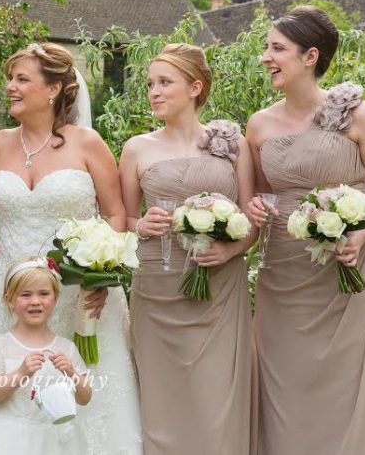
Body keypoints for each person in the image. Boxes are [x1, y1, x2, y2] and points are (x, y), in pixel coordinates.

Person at [245, 5, 365, 454]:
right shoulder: (259, 125)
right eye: (266, 47)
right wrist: (256, 209)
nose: (266, 57)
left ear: (310, 56)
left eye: (276, 48)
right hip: (283, 279)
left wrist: (362, 233)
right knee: (284, 393)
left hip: (349, 274)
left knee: (345, 393)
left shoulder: (356, 115)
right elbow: (262, 193)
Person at [0, 42, 143, 454]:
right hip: (6, 292)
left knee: (81, 390)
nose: (10, 86)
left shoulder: (87, 144)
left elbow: (115, 215)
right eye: (10, 78)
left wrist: (102, 271)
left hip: (77, 292)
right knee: (9, 396)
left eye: (21, 79)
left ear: (53, 90)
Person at [119, 43, 254, 455]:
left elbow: (252, 220)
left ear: (195, 87)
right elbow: (120, 222)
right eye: (150, 84)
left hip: (219, 291)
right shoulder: (136, 148)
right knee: (162, 401)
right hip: (158, 291)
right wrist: (140, 225)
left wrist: (230, 253)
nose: (154, 92)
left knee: (216, 402)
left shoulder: (233, 143)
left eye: (165, 83)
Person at [0, 256, 91, 455]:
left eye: (44, 294)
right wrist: (21, 373)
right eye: (25, 295)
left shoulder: (66, 348)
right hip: (10, 440)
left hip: (54, 442)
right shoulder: (2, 345)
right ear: (10, 300)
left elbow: (85, 398)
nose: (35, 302)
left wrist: (71, 372)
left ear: (55, 299)